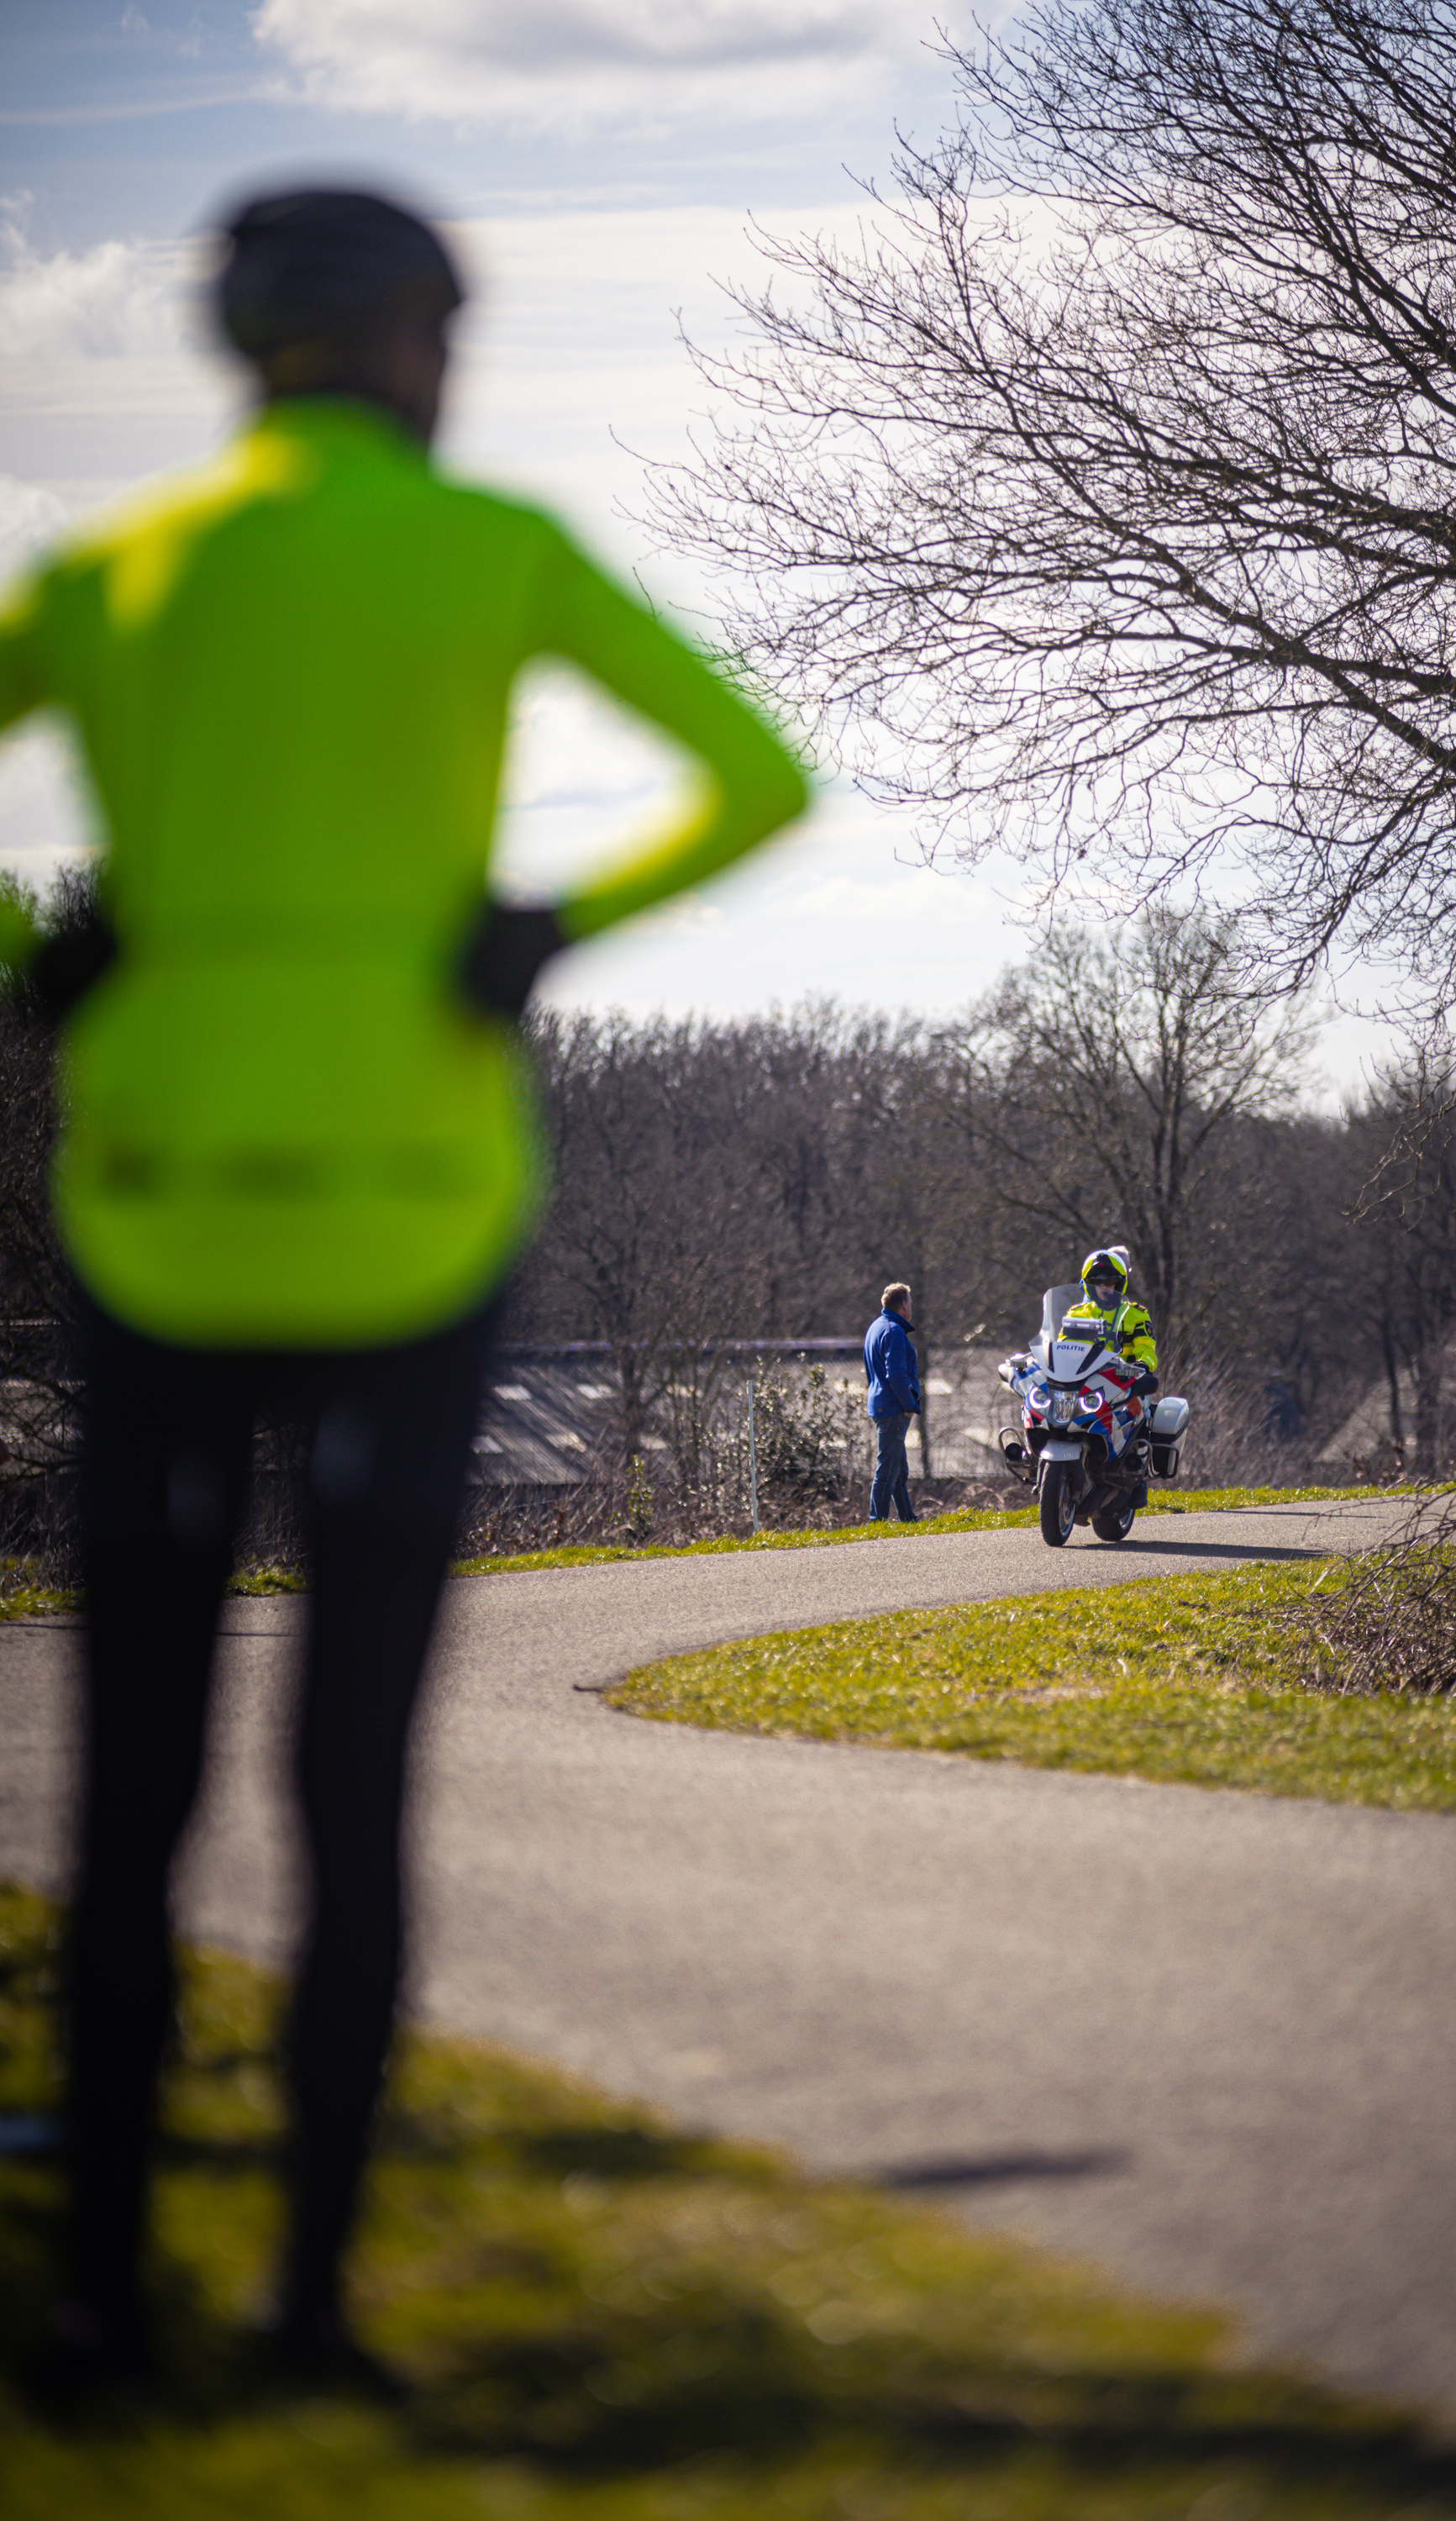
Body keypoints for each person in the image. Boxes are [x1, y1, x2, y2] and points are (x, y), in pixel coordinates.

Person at [0, 184, 808, 2393]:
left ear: (231, 347)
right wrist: (539, 928)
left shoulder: (111, 573)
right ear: (427, 349)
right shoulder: (496, 554)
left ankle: (87, 2302)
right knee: (350, 1788)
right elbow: (758, 779)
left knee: (126, 1790)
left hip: (161, 1210)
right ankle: (312, 2311)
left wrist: (37, 949)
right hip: (414, 1220)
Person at [864, 1282, 921, 1522]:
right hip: (893, 1407)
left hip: (879, 1403)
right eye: (910, 1302)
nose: (911, 1307)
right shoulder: (894, 1331)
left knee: (898, 1470)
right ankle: (876, 1521)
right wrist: (909, 1405)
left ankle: (908, 1519)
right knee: (887, 1468)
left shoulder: (876, 1327)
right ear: (904, 1304)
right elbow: (896, 1375)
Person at [1059, 1247, 1159, 1373]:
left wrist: (1143, 1364)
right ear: (1089, 1285)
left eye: (1110, 1281)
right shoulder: (1075, 1314)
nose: (1104, 1287)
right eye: (1097, 1282)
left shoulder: (1137, 1316)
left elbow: (1147, 1351)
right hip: (1080, 1382)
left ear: (1119, 1284)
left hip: (1122, 1384)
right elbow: (1061, 1349)